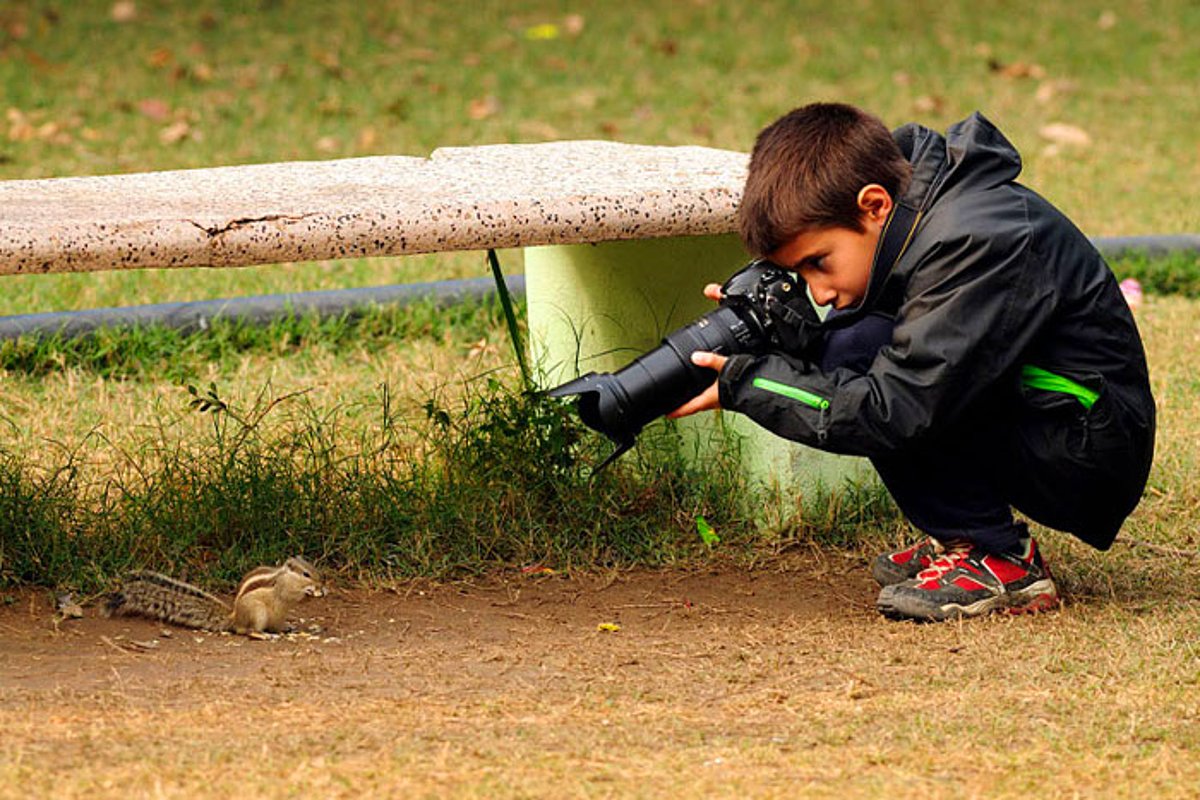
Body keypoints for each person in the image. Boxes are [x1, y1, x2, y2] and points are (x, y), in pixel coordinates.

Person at [670, 103, 1156, 622]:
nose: (820, 290)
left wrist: (751, 384)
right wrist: (792, 338)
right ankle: (964, 536)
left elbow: (897, 405)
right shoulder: (924, 212)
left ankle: (999, 558)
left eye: (818, 263)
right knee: (851, 347)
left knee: (871, 371)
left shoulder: (974, 238)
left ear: (873, 205)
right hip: (1049, 413)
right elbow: (895, 340)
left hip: (1086, 445)